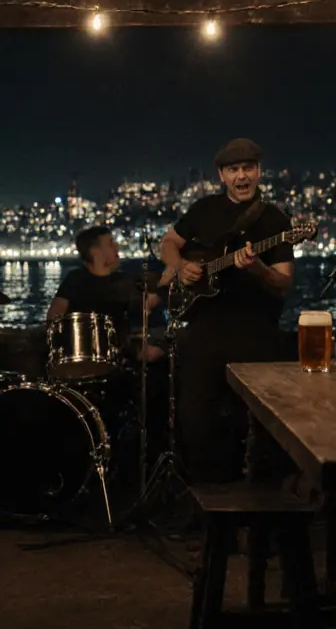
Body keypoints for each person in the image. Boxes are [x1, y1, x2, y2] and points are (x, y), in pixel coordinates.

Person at [159, 138, 294, 484]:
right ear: (221, 175)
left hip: (256, 331)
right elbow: (168, 242)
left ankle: (260, 503)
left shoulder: (275, 218)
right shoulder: (204, 210)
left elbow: (283, 282)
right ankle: (207, 503)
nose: (242, 176)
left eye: (248, 168)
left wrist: (257, 269)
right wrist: (180, 266)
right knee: (195, 419)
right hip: (204, 327)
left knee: (259, 424)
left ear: (259, 172)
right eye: (234, 170)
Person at [47, 225, 162, 362]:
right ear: (96, 252)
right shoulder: (75, 279)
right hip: (81, 355)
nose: (117, 248)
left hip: (118, 354)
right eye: (110, 244)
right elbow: (54, 316)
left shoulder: (125, 280)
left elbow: (145, 307)